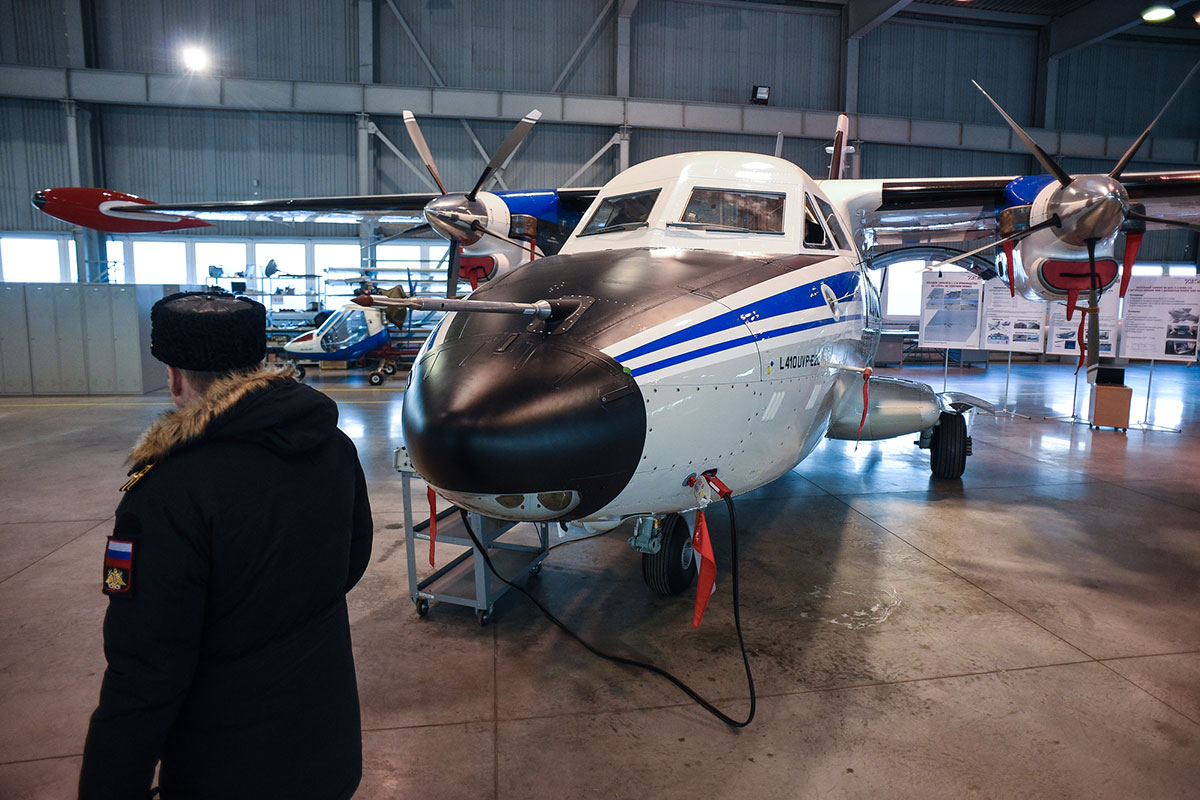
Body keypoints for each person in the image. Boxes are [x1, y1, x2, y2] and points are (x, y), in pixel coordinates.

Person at [79, 291, 373, 800]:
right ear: (259, 362)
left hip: (228, 769)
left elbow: (145, 671)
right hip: (329, 744)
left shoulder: (169, 490)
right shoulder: (332, 444)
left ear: (174, 377)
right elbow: (353, 560)